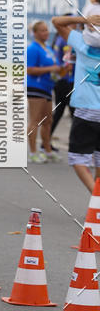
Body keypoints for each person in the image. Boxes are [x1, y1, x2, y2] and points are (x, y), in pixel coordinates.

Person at [53, 11, 100, 193]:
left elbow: (57, 22)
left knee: (77, 158)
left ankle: (96, 196)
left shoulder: (81, 44)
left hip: (86, 110)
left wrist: (84, 19)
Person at [27, 21, 62, 163]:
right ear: (35, 33)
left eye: (47, 30)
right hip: (36, 87)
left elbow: (53, 66)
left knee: (48, 121)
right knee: (35, 120)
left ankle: (47, 150)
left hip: (47, 87)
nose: (46, 33)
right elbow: (29, 70)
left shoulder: (48, 48)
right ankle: (33, 152)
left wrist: (61, 70)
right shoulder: (33, 48)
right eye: (42, 30)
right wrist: (50, 70)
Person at [51, 16, 76, 139]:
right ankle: (77, 144)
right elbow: (68, 65)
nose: (75, 25)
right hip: (66, 81)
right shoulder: (67, 41)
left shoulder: (59, 38)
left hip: (61, 81)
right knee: (74, 114)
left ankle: (45, 143)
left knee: (60, 112)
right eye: (73, 23)